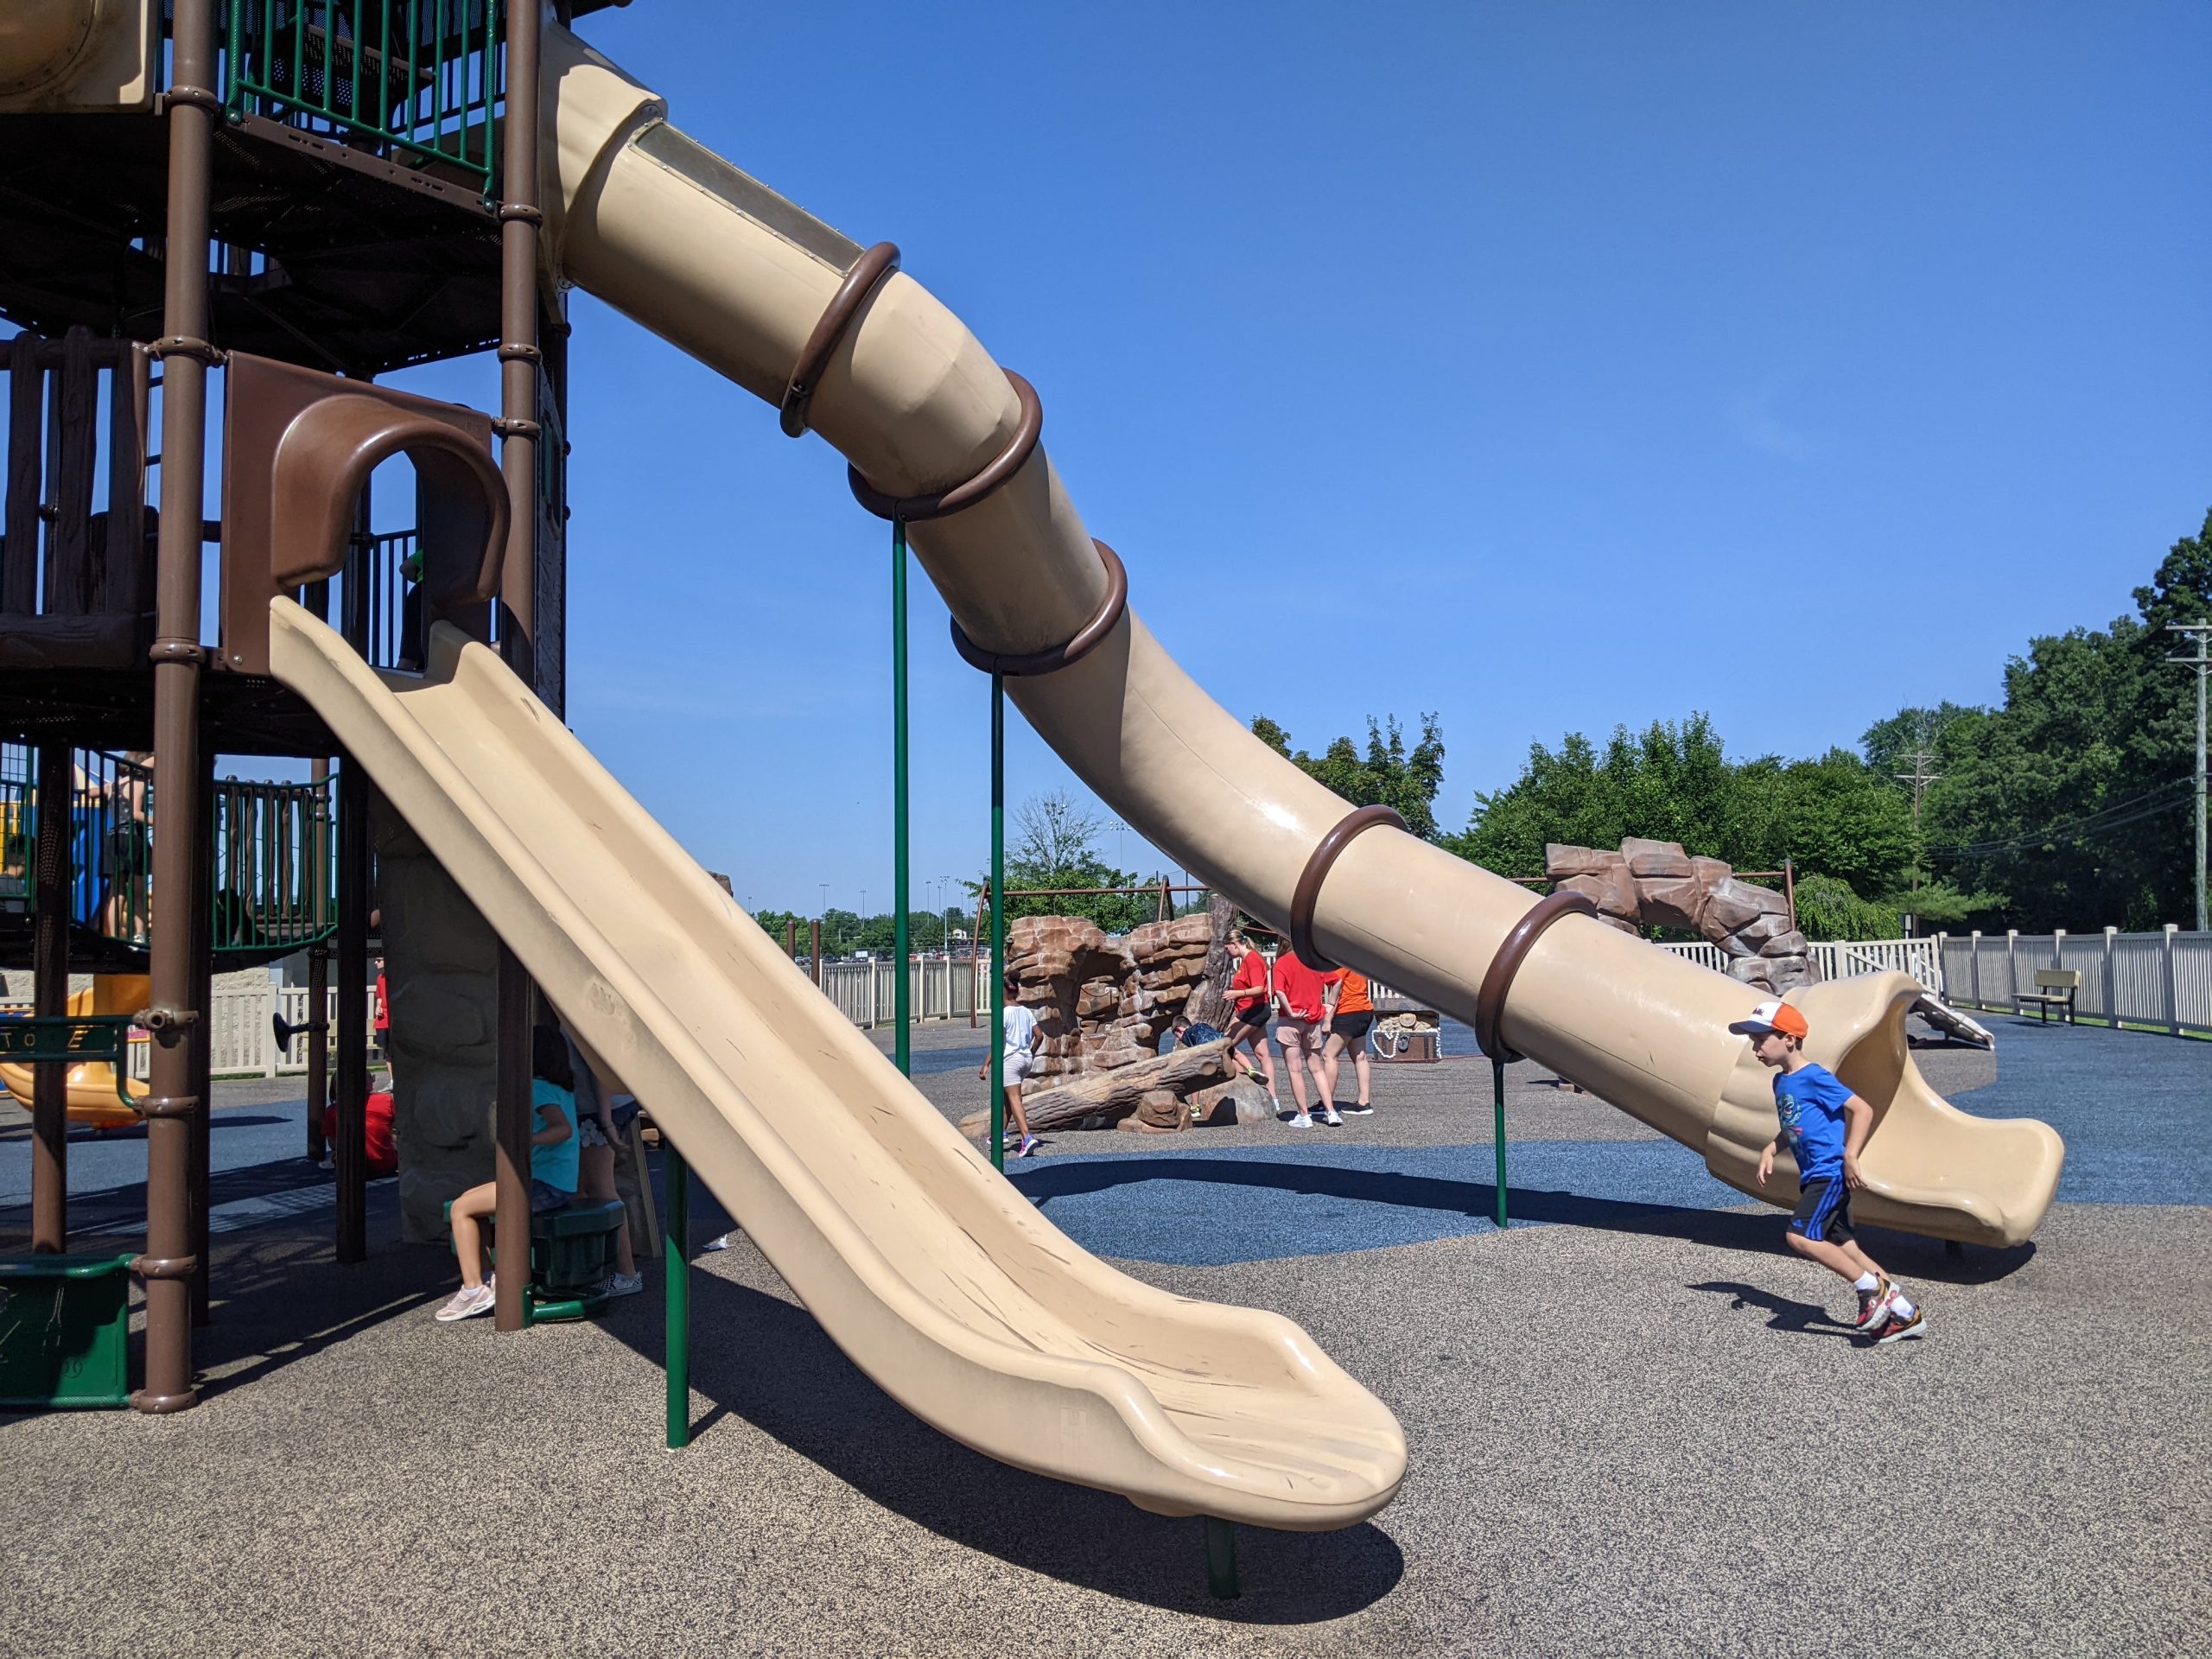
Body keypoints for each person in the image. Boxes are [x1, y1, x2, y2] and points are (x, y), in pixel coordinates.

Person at [1734, 999, 1925, 1344]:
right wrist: (1771, 1148)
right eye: (1753, 1040)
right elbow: (1795, 1126)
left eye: (1762, 1039)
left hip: (1829, 1173)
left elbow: (1862, 1109)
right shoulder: (1782, 1083)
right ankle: (1905, 1313)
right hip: (1815, 1175)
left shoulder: (1815, 1077)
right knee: (1848, 1248)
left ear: (1789, 1039)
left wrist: (1851, 1155)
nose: (1755, 1047)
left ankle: (1869, 1290)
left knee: (1799, 1236)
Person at [433, 1027, 579, 1322]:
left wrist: (525, 1140)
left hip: (543, 1185)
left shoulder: (538, 1089)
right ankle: (488, 1277)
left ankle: (474, 1289)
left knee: (461, 1209)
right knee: (467, 1201)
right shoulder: (559, 1088)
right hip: (555, 1183)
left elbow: (562, 1129)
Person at [564, 1029, 643, 1298]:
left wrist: (606, 1121)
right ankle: (589, 1268)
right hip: (595, 1108)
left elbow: (600, 1067)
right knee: (583, 1188)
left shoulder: (572, 1014)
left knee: (601, 1189)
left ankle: (627, 1273)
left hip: (596, 1111)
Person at [1269, 946, 1337, 1128]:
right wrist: (1329, 1005)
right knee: (1317, 1068)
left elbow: (1279, 991)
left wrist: (1290, 1011)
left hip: (1291, 1020)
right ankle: (1331, 1111)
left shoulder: (1281, 963)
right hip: (1313, 1019)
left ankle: (1304, 1115)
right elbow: (1336, 981)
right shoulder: (1312, 961)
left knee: (1295, 1069)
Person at [979, 971, 1041, 1158]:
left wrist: (986, 1064)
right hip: (1025, 1060)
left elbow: (999, 1043)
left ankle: (1027, 1138)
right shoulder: (1026, 1011)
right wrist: (1030, 1053)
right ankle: (1000, 1134)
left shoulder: (1003, 1013)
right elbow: (1039, 1035)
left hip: (1011, 1060)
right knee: (1008, 1097)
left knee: (1014, 1098)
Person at [1221, 929, 1280, 1110]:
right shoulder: (1246, 960)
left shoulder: (1252, 960)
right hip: (1251, 1008)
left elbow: (1260, 988)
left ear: (1235, 944)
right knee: (1262, 1054)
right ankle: (1273, 1098)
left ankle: (1248, 1070)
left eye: (1227, 948)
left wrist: (1237, 993)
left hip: (1253, 1009)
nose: (1227, 953)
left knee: (1225, 1046)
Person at [1319, 966, 1376, 1116]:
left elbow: (1337, 991)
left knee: (1328, 1055)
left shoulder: (1339, 964)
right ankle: (1364, 1102)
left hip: (1347, 1011)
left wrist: (1328, 1020)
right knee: (1360, 1056)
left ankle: (1326, 1103)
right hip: (1364, 1010)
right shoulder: (1356, 962)